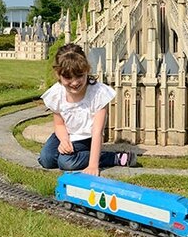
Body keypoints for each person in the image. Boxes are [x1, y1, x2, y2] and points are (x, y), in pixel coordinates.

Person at [38, 43, 136, 176]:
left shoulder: (97, 93)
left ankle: (113, 157)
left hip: (85, 137)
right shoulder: (57, 93)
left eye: (79, 76)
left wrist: (93, 165)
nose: (74, 82)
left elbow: (97, 132)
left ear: (87, 70)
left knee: (66, 162)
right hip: (65, 133)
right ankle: (76, 155)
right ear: (58, 75)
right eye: (68, 77)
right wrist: (64, 141)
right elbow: (59, 124)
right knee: (46, 159)